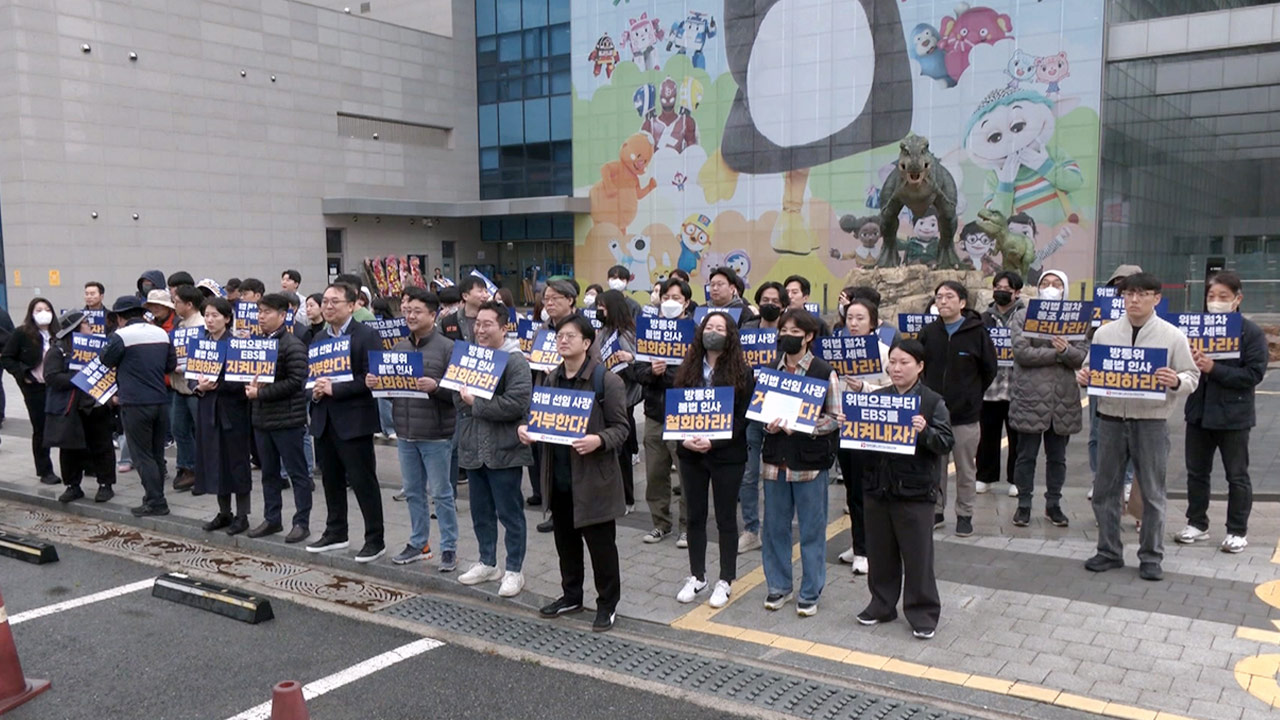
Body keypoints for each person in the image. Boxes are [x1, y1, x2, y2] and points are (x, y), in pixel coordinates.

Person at [1076, 272, 1199, 581]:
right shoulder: (1105, 334)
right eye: (1129, 294)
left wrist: (1176, 381)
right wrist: (1085, 376)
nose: (1134, 299)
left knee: (1153, 493)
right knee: (1106, 490)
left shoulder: (1172, 336)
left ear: (1156, 298)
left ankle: (1151, 556)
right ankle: (1108, 551)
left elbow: (1191, 376)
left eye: (1142, 294)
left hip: (1152, 422)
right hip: (1112, 420)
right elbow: (1092, 367)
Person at [520, 315, 630, 632]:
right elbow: (538, 420)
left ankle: (607, 604)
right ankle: (571, 595)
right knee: (566, 544)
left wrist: (599, 439)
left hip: (593, 481)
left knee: (601, 548)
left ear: (586, 342)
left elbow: (622, 429)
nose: (563, 341)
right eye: (559, 336)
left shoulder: (604, 381)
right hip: (559, 478)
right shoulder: (550, 379)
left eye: (570, 336)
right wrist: (527, 430)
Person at [857, 340, 954, 639]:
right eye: (893, 362)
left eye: (904, 363)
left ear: (920, 366)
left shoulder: (932, 401)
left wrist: (924, 431)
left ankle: (923, 612)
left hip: (915, 491)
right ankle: (882, 604)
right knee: (880, 552)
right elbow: (861, 443)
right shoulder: (878, 398)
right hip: (878, 487)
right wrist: (853, 425)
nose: (896, 368)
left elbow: (946, 442)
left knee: (918, 556)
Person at [1175, 271, 1267, 553]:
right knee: (1196, 472)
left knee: (1236, 475)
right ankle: (1197, 523)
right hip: (1199, 412)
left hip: (1234, 416)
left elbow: (1253, 374)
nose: (1216, 302)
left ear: (1237, 299)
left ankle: (1237, 531)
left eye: (1223, 297)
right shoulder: (1195, 329)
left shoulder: (1249, 332)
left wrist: (1214, 369)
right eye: (1211, 296)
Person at [369, 287, 459, 569]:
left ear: (433, 315)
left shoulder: (448, 348)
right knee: (413, 491)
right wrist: (377, 383)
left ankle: (449, 547)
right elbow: (394, 389)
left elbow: (458, 392)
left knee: (442, 494)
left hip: (436, 434)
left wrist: (437, 387)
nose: (410, 315)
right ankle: (419, 542)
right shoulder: (399, 347)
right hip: (406, 433)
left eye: (417, 311)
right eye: (407, 311)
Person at [760, 309, 841, 617]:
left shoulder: (823, 372)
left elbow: (834, 419)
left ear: (809, 336)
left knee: (811, 530)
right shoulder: (771, 369)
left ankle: (810, 591)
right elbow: (760, 411)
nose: (788, 337)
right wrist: (769, 424)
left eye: (796, 332)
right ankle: (778, 586)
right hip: (774, 462)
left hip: (809, 465)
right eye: (784, 330)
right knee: (775, 528)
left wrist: (806, 426)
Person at [671, 312, 754, 608]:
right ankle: (697, 576)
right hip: (690, 453)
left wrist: (714, 440)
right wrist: (683, 438)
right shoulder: (688, 368)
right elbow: (676, 410)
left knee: (725, 518)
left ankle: (725, 580)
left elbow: (743, 419)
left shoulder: (743, 372)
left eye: (720, 328)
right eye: (709, 327)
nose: (714, 332)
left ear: (730, 335)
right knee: (694, 516)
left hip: (727, 456)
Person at [456, 300, 534, 596]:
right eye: (477, 323)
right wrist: (465, 399)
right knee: (481, 511)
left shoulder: (515, 361)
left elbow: (516, 404)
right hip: (473, 448)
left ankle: (514, 569)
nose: (480, 329)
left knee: (510, 512)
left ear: (504, 327)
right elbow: (456, 399)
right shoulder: (468, 357)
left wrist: (476, 403)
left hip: (505, 450)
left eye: (487, 324)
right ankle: (487, 562)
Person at [307, 282, 387, 562]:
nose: (328, 306)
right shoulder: (318, 339)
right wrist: (315, 391)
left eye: (334, 302)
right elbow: (310, 377)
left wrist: (335, 389)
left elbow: (371, 378)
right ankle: (336, 532)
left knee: (364, 482)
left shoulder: (366, 335)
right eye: (325, 301)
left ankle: (375, 539)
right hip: (324, 420)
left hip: (354, 421)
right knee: (331, 480)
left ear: (352, 305)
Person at [919, 281, 997, 537]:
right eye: (938, 297)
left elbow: (989, 370)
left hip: (966, 415)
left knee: (965, 468)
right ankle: (936, 511)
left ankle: (965, 514)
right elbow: (921, 368)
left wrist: (971, 395)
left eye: (949, 297)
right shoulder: (929, 332)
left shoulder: (977, 333)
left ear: (962, 302)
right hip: (934, 414)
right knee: (934, 467)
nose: (942, 301)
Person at [1008, 270, 1085, 527]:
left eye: (1056, 284)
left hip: (1063, 399)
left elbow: (1080, 357)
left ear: (1065, 289)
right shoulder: (1022, 315)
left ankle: (1054, 504)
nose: (1051, 288)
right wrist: (1058, 352)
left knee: (1058, 457)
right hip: (1030, 397)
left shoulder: (1077, 319)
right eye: (1045, 283)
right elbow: (1022, 353)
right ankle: (1024, 504)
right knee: (1025, 455)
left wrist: (1066, 351)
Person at [100, 295, 177, 517]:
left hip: (135, 403)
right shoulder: (161, 333)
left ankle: (156, 501)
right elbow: (170, 365)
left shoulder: (121, 336)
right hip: (160, 402)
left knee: (142, 455)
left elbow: (106, 360)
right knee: (155, 452)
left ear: (120, 318)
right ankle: (154, 495)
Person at [246, 293, 313, 543]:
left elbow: (297, 382)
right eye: (259, 312)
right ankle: (272, 518)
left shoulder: (292, 344)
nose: (261, 317)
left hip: (287, 420)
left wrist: (261, 393)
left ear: (283, 316)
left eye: (267, 312)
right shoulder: (257, 343)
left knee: (297, 474)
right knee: (269, 474)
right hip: (262, 420)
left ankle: (301, 522)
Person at [834, 298, 893, 575]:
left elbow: (893, 389)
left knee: (867, 490)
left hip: (871, 431)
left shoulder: (883, 352)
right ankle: (858, 543)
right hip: (843, 429)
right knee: (852, 491)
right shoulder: (837, 351)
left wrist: (865, 388)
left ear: (873, 322)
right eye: (850, 318)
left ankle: (867, 549)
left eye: (860, 318)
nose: (854, 323)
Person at [636, 277, 694, 546]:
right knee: (656, 473)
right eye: (666, 297)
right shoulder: (648, 331)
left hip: (683, 413)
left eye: (677, 298)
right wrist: (651, 371)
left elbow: (697, 375)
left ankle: (687, 526)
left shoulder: (694, 332)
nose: (671, 302)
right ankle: (660, 523)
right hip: (655, 413)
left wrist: (668, 373)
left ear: (687, 303)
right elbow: (637, 372)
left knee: (686, 474)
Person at [190, 298, 254, 535]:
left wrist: (215, 385)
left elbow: (243, 381)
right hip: (207, 411)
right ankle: (224, 511)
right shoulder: (200, 344)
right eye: (207, 315)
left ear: (227, 319)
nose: (210, 319)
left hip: (232, 412)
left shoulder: (237, 345)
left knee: (236, 462)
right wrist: (199, 387)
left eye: (215, 315)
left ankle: (243, 514)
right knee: (214, 462)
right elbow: (190, 376)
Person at [44, 311, 117, 504]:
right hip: (71, 408)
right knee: (70, 448)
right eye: (85, 323)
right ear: (75, 328)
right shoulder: (58, 350)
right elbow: (51, 377)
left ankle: (106, 484)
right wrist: (80, 379)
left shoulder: (100, 348)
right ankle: (73, 486)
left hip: (96, 404)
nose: (90, 327)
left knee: (102, 445)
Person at [736, 280, 785, 554]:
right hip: (751, 412)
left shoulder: (788, 333)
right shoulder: (747, 332)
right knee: (749, 473)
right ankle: (751, 528)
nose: (770, 305)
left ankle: (776, 529)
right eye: (765, 299)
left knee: (778, 475)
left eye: (775, 301)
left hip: (779, 412)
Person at [2, 297, 60, 484]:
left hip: (58, 385)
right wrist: (23, 374)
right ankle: (45, 470)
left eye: (46, 309)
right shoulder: (22, 334)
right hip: (35, 387)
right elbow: (7, 357)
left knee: (65, 425)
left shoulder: (59, 334)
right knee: (41, 428)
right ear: (31, 313)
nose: (43, 313)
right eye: (38, 309)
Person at [979, 271, 1024, 496]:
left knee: (1017, 436)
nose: (1001, 292)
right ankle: (985, 476)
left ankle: (1016, 479)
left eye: (1007, 289)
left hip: (1018, 387)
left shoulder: (1026, 316)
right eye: (998, 287)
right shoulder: (983, 317)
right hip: (990, 387)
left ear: (1017, 292)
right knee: (988, 434)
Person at [597, 289, 640, 510]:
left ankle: (627, 497)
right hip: (604, 394)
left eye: (602, 307)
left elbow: (641, 364)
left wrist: (630, 359)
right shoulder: (603, 332)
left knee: (621, 449)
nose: (598, 311)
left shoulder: (627, 334)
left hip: (624, 397)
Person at [170, 286, 206, 492]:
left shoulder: (201, 325)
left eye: (177, 301)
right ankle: (188, 467)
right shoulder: (180, 325)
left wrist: (182, 367)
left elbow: (205, 356)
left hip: (194, 387)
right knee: (178, 428)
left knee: (200, 430)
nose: (174, 306)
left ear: (189, 304)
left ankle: (201, 470)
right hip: (178, 387)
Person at [440, 274, 491, 343]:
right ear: (465, 296)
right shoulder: (447, 322)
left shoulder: (493, 320)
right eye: (480, 291)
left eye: (486, 291)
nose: (486, 295)